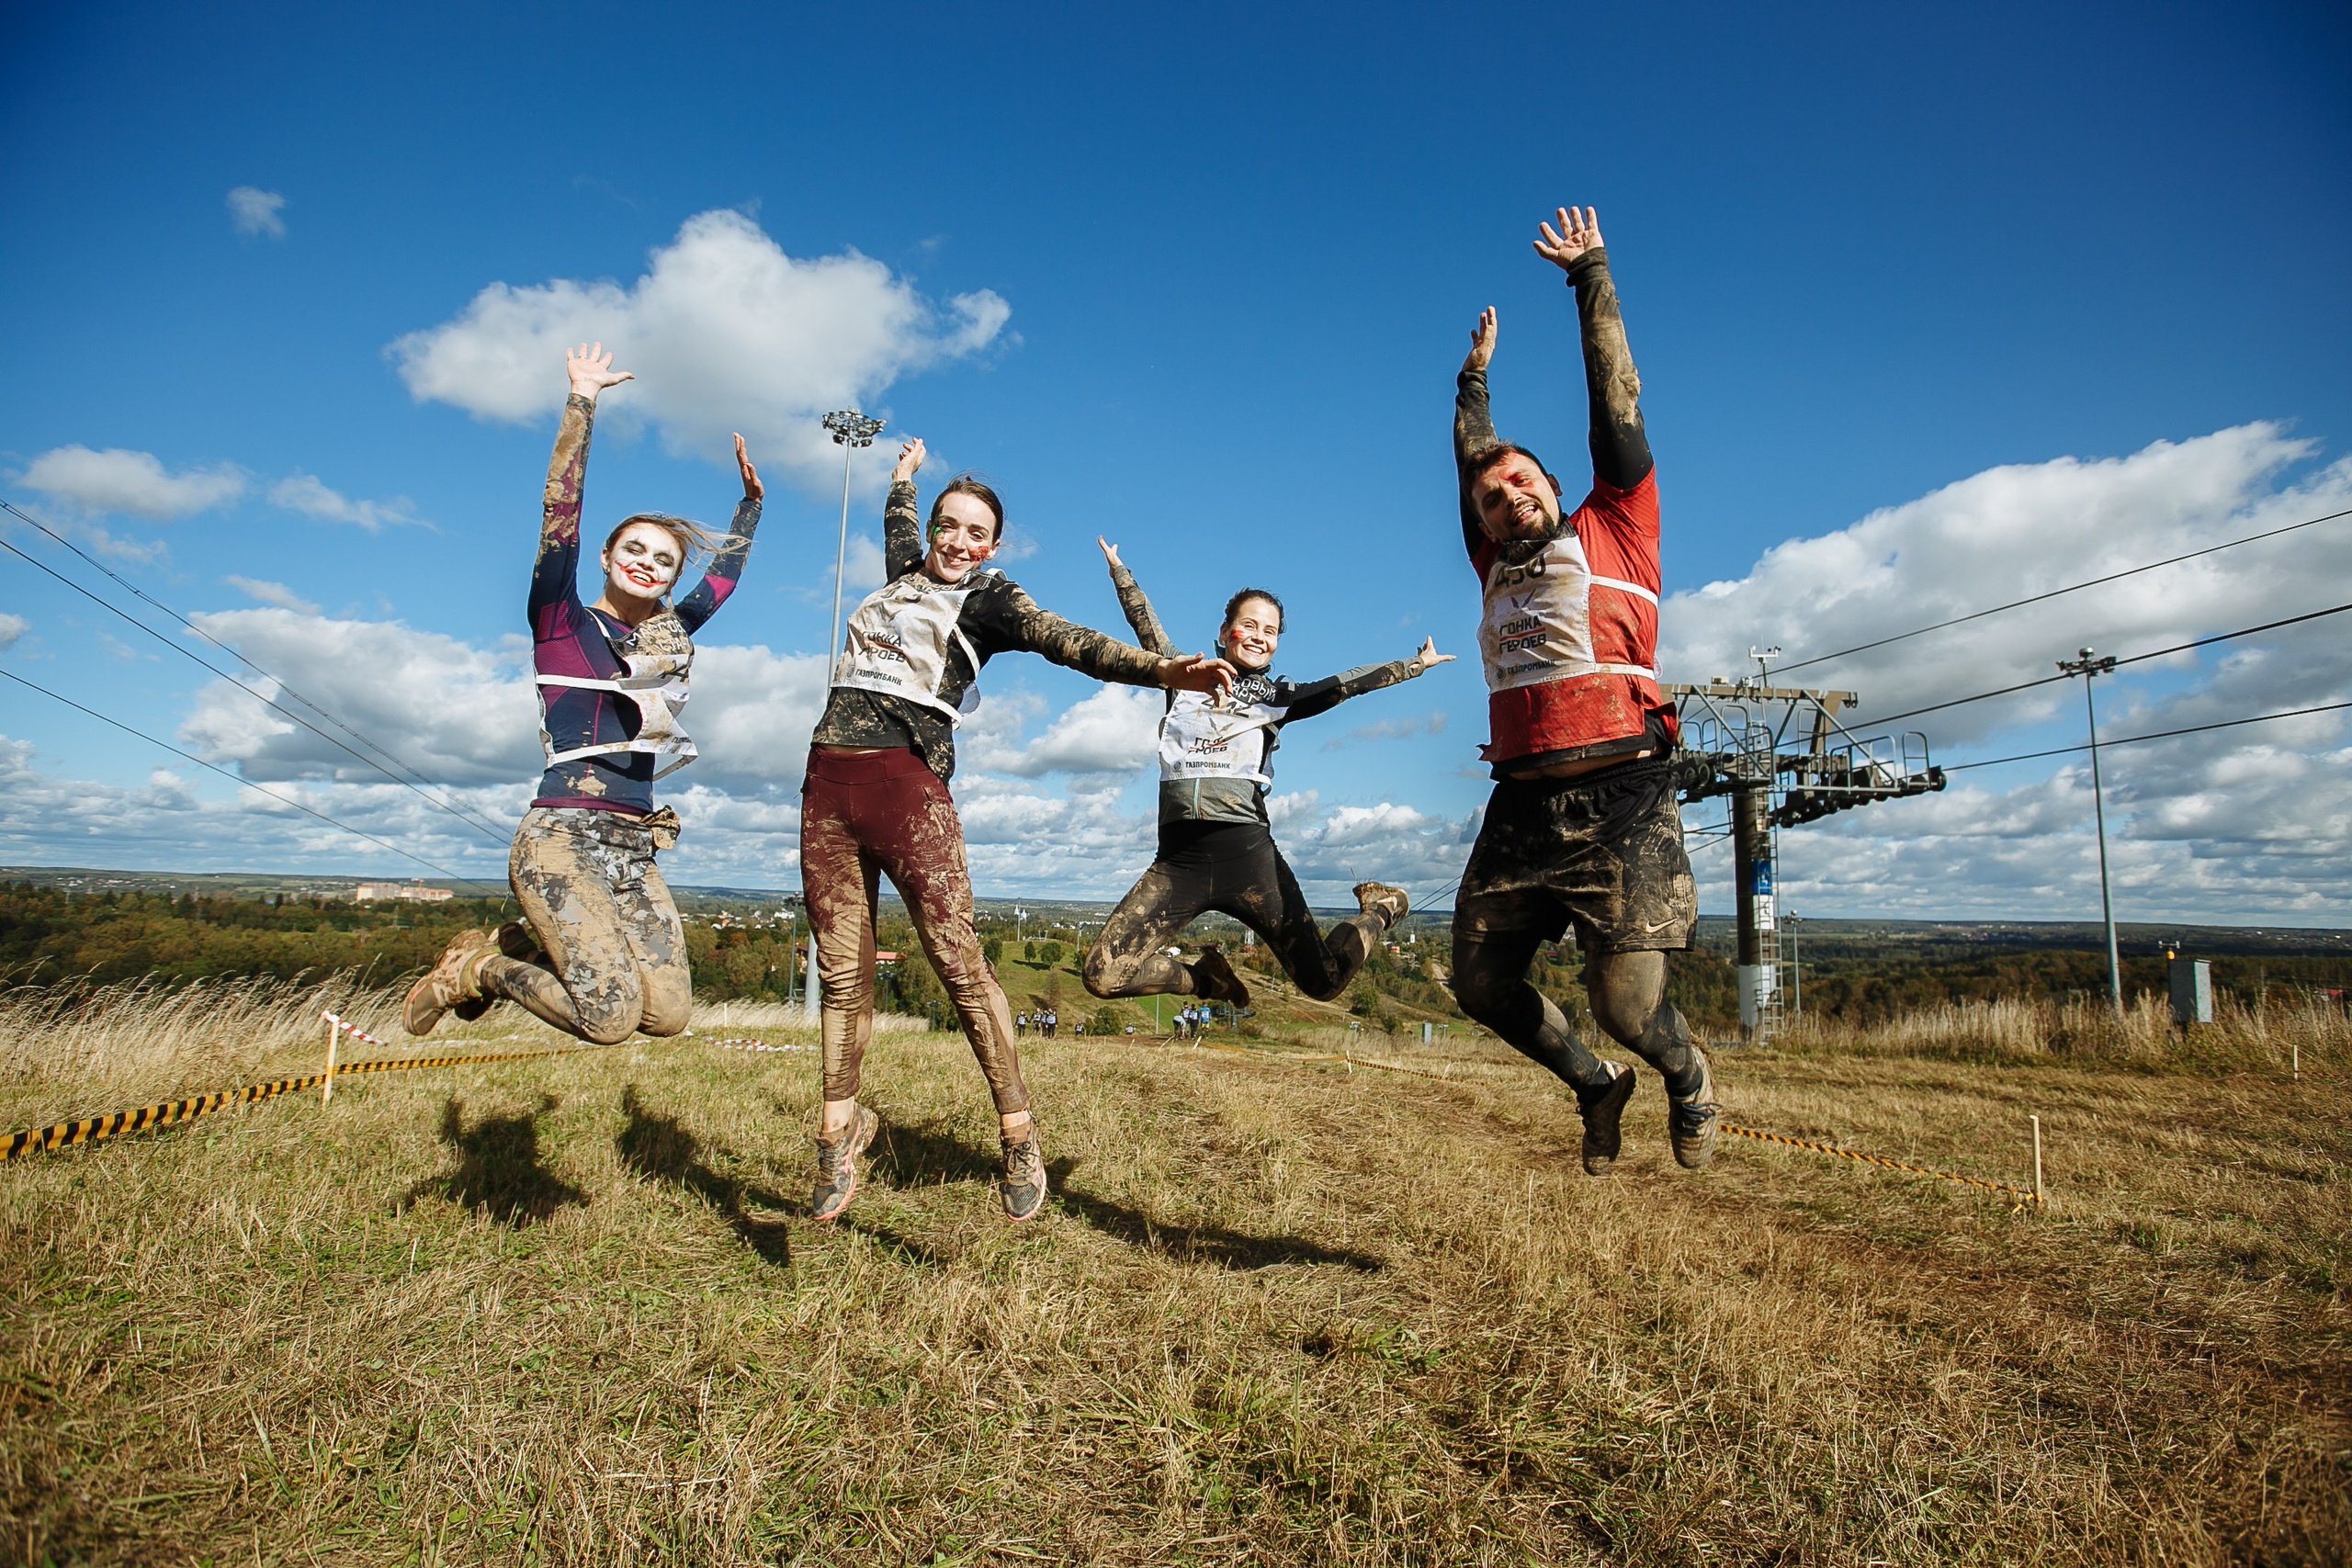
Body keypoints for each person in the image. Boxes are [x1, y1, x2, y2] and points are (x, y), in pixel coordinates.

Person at [800, 437, 1235, 1224]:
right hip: (826, 784)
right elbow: (897, 520)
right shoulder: (905, 572)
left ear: (993, 545)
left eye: (975, 532)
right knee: (839, 972)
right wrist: (902, 477)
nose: (957, 541)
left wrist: (1162, 671)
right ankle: (838, 1131)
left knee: (958, 962)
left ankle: (1018, 1131)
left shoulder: (990, 597)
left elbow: (1069, 641)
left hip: (907, 785)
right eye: (947, 525)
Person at [1447, 206, 1718, 1176]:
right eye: (1488, 494)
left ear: (1557, 484)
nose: (1505, 493)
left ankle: (1683, 1078)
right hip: (1522, 800)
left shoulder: (1618, 522)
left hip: (1624, 794)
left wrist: (1589, 275)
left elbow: (1618, 402)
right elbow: (1469, 456)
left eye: (1520, 481)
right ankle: (1595, 1086)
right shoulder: (1491, 563)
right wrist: (1471, 384)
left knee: (1629, 1005)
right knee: (1476, 982)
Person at [404, 344, 763, 1043]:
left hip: (633, 844)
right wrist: (583, 402)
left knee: (665, 1015)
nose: (648, 563)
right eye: (634, 549)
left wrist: (750, 508)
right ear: (606, 556)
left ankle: (519, 947)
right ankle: (477, 970)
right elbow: (558, 513)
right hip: (560, 839)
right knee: (607, 1019)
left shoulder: (668, 636)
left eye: (664, 559)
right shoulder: (561, 618)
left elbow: (722, 583)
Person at [1081, 540, 1451, 1012]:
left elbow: (1347, 684)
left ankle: (1379, 910)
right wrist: (1119, 570)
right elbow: (1145, 627)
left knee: (1324, 982)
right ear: (1226, 630)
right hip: (1178, 864)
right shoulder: (1184, 676)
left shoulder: (1279, 697)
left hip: (1249, 860)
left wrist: (1415, 665)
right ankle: (1205, 980)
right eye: (1249, 625)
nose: (1259, 636)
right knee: (1103, 974)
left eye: (1271, 631)